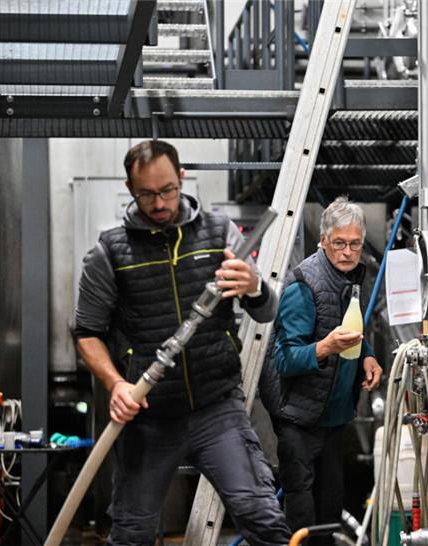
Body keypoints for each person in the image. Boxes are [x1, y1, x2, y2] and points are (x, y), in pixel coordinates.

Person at [73, 140, 290, 546]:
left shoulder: (219, 233)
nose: (159, 203)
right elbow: (87, 333)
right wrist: (115, 384)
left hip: (216, 407)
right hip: (149, 416)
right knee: (133, 532)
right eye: (147, 194)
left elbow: (265, 311)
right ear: (130, 187)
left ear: (181, 179)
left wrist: (255, 286)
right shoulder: (110, 252)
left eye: (167, 190)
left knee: (260, 515)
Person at [261, 197, 383, 542]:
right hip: (299, 420)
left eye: (355, 244)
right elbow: (286, 360)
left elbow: (348, 327)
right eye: (339, 243)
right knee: (302, 518)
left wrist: (368, 356)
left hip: (334, 417)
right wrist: (327, 346)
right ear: (324, 242)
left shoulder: (351, 278)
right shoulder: (304, 286)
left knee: (330, 510)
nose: (348, 252)